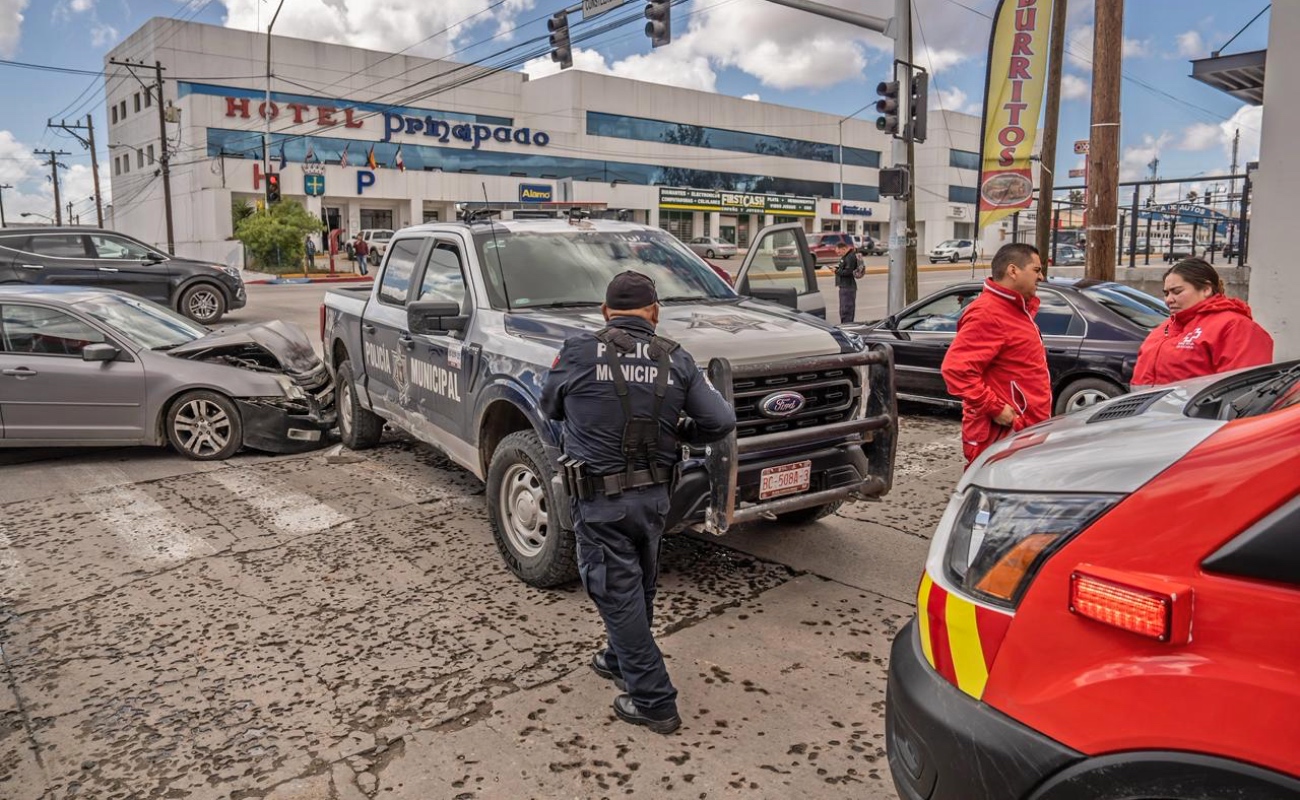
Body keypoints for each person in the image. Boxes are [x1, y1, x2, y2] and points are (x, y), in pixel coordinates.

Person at [540, 271, 736, 734]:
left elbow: (550, 407)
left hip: (600, 499)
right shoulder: (676, 358)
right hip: (655, 500)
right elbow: (721, 421)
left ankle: (654, 700)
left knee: (615, 590)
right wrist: (683, 431)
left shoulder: (577, 351)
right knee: (638, 584)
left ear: (606, 312)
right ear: (654, 312)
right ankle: (617, 658)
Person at [941, 242, 1052, 466]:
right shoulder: (988, 312)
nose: (1041, 277)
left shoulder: (1015, 309)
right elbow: (956, 369)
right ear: (1013, 271)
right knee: (994, 488)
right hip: (1002, 436)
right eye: (1036, 270)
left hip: (1023, 432)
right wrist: (996, 408)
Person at [1132, 258, 1273, 388]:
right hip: (1150, 407)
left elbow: (1244, 389)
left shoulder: (1235, 327)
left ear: (1206, 289)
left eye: (1177, 291)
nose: (1168, 300)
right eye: (1166, 293)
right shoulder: (1167, 326)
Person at [834, 241, 864, 324]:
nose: (838, 254)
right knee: (844, 309)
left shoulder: (850, 257)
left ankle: (847, 326)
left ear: (844, 249)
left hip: (848, 287)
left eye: (839, 252)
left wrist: (836, 271)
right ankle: (845, 325)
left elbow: (848, 272)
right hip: (845, 286)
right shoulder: (846, 256)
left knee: (846, 310)